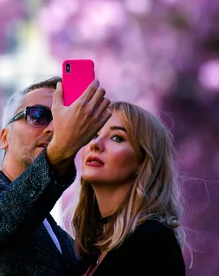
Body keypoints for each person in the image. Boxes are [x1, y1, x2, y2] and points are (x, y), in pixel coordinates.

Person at [0, 76, 112, 275]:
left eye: (61, 119)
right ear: (4, 138)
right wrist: (59, 154)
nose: (55, 129)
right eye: (38, 116)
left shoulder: (54, 232)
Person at [72, 101, 186, 276]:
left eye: (117, 137)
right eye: (94, 134)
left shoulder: (153, 241)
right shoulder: (89, 253)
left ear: (143, 162)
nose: (96, 144)